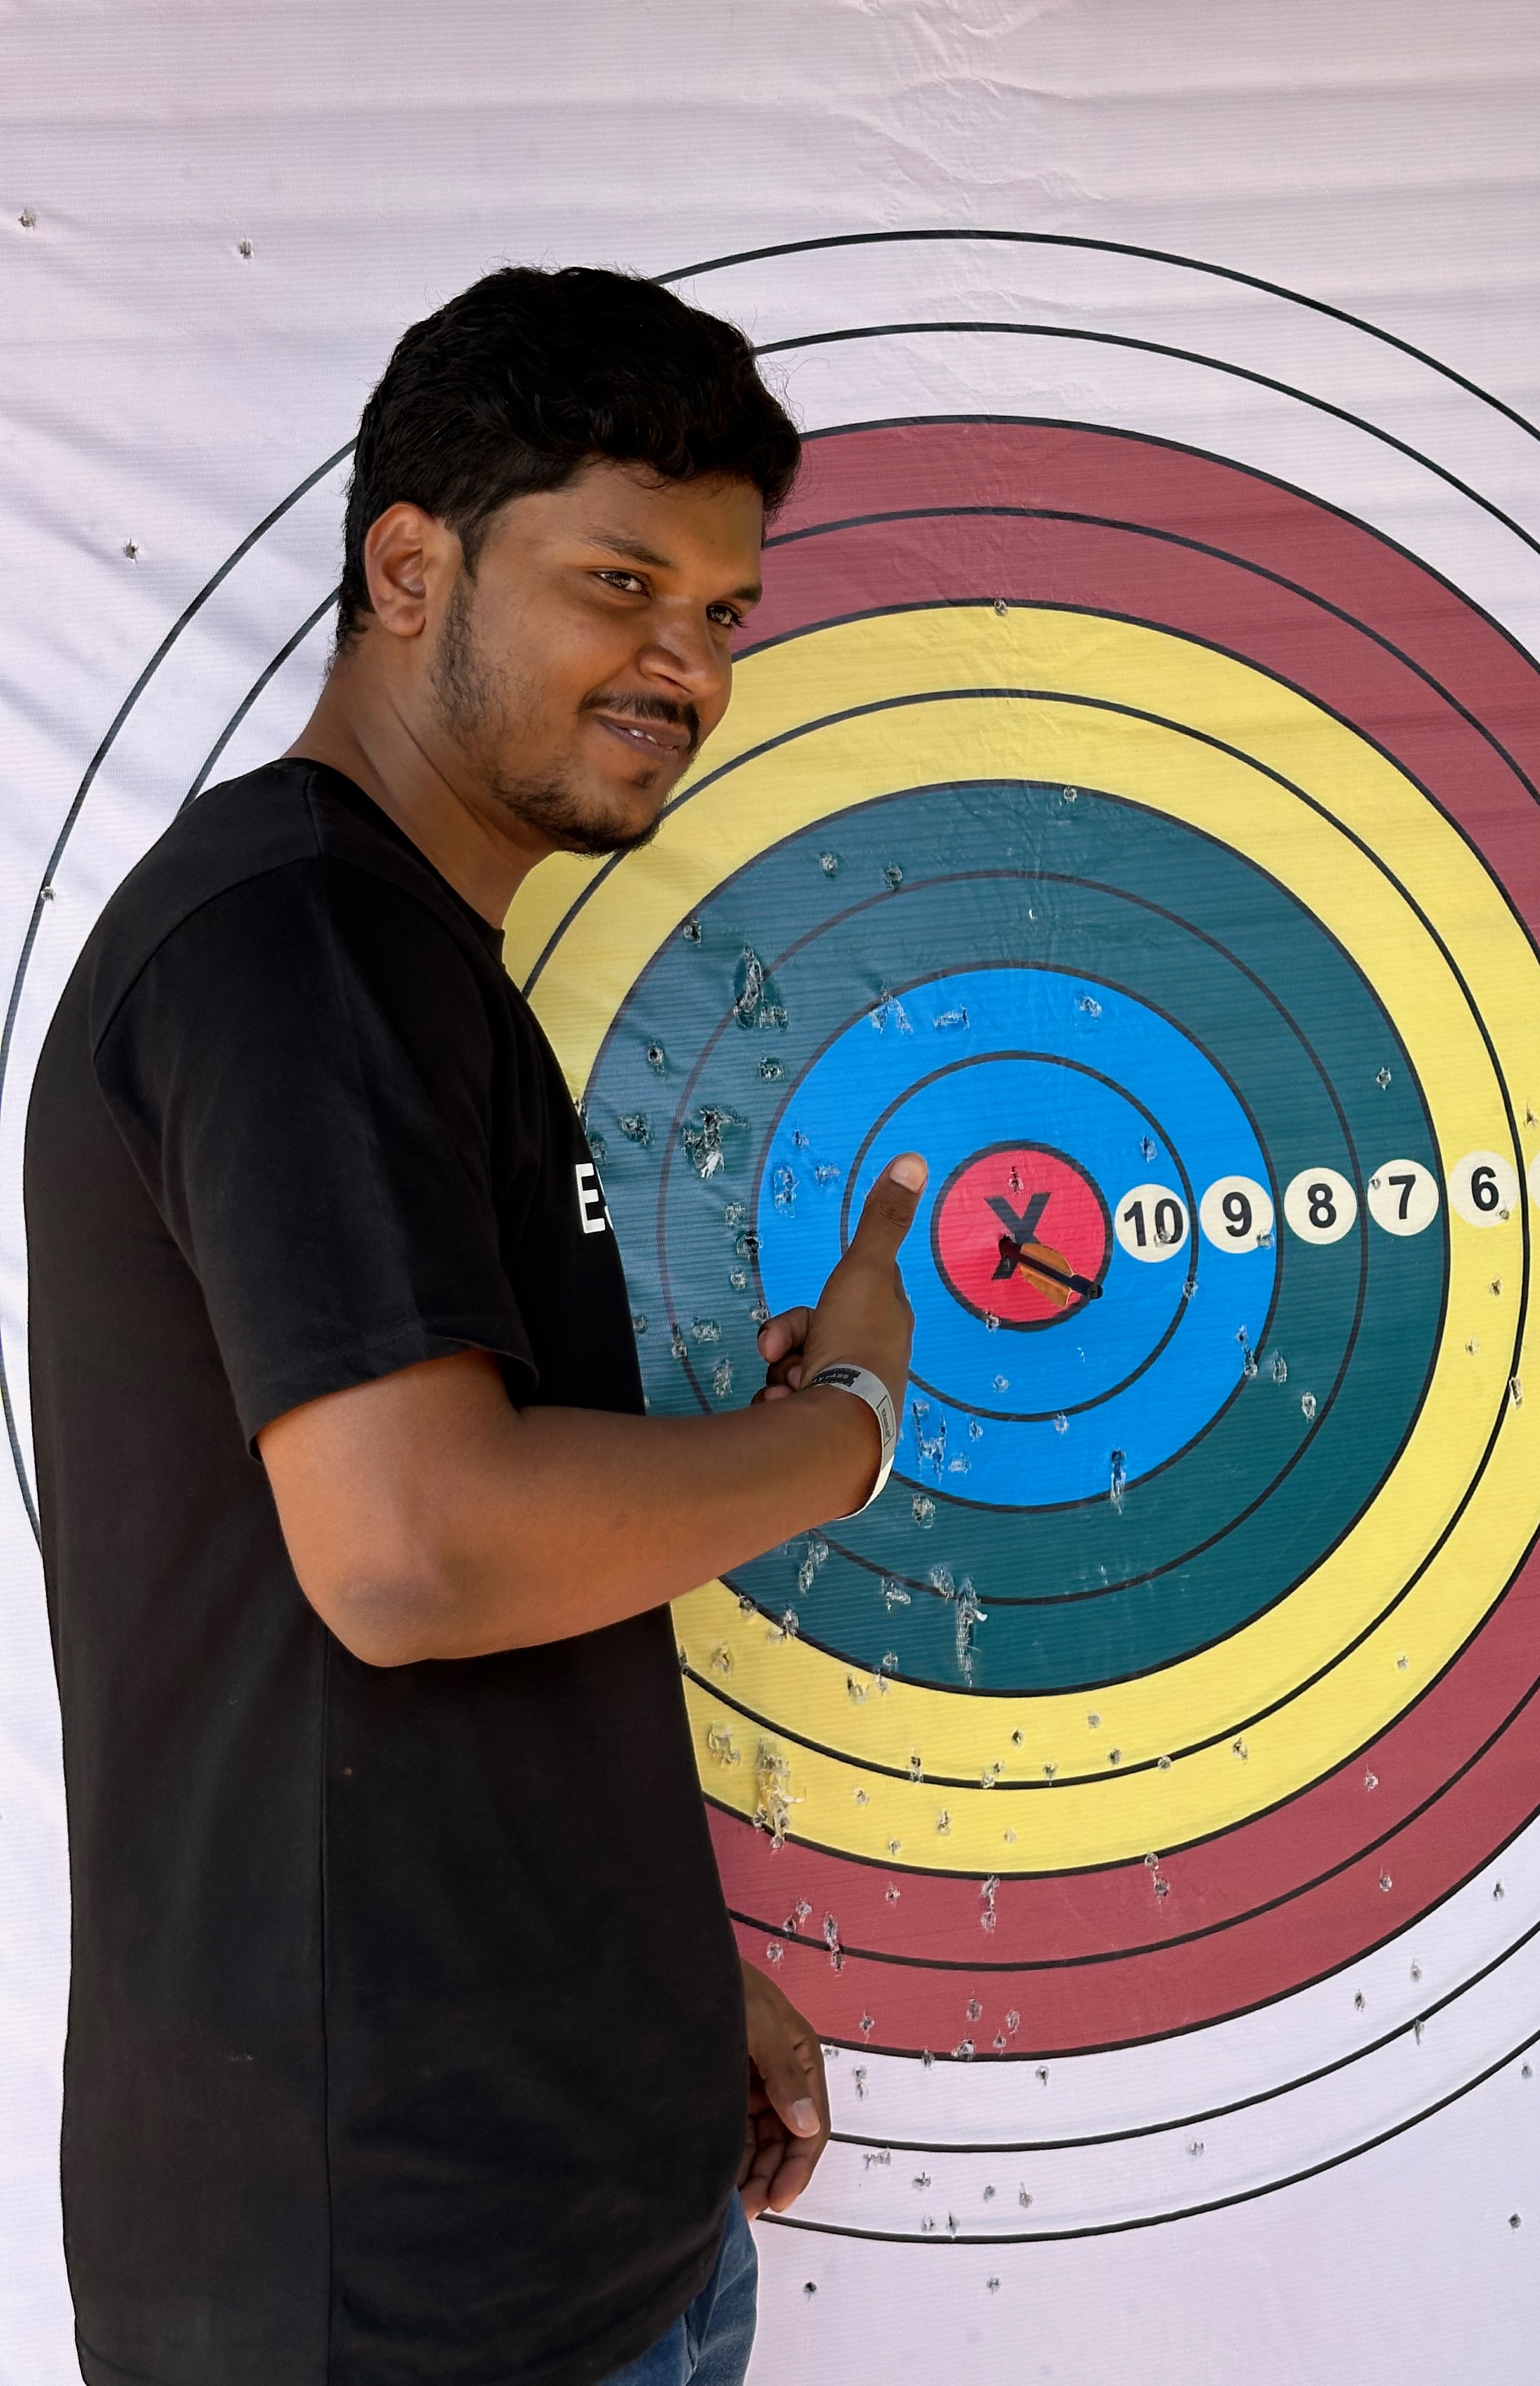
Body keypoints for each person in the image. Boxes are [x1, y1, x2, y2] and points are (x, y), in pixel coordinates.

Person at [25, 265, 926, 2386]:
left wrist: (659, 1985)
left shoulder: (406, 957)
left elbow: (476, 1608)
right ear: (409, 570)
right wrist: (853, 1419)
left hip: (561, 2221)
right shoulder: (296, 948)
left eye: (723, 612)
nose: (687, 664)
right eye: (622, 582)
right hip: (392, 2293)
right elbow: (420, 1552)